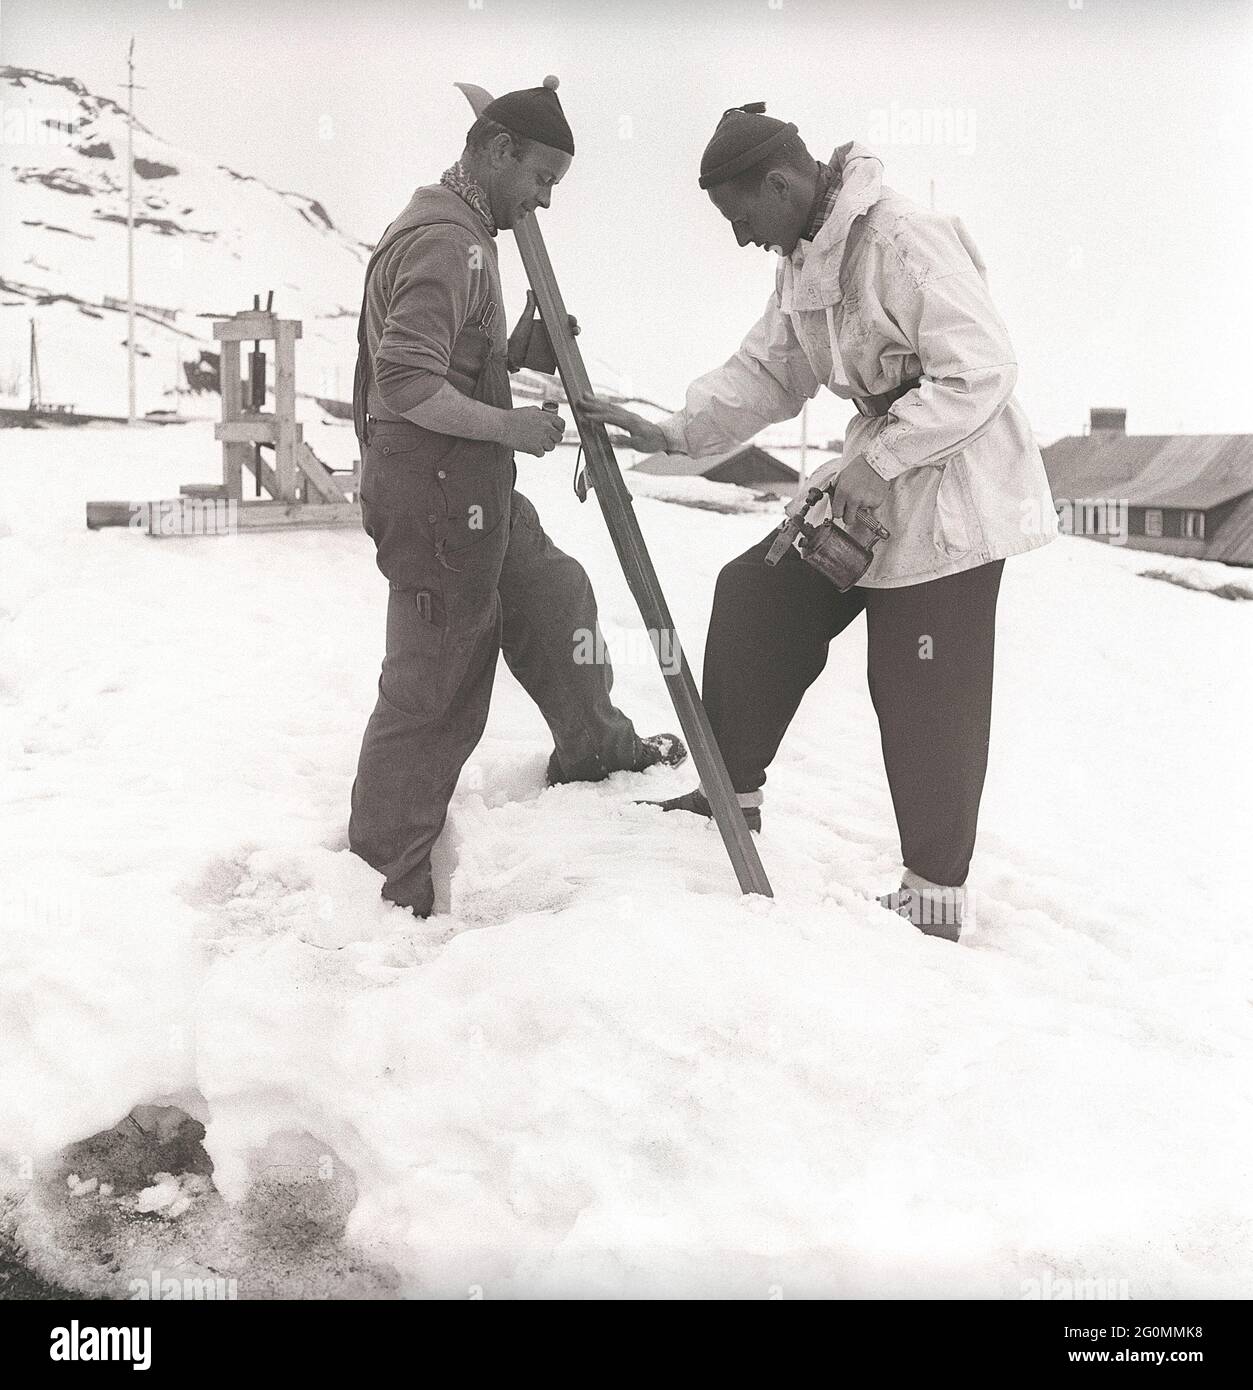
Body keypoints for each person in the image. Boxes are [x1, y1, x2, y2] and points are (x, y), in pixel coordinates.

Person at [582, 103, 1057, 942]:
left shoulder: (902, 239)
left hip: (956, 486)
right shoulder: (804, 259)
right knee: (757, 597)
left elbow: (983, 368)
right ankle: (728, 798)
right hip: (876, 468)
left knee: (921, 687)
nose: (738, 238)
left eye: (739, 217)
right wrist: (675, 431)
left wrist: (879, 463)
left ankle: (930, 900)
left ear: (779, 183)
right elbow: (767, 371)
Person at [350, 77, 685, 918]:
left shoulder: (468, 236)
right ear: (498, 151)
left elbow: (459, 355)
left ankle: (594, 750)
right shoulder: (444, 243)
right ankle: (381, 879)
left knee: (553, 594)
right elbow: (405, 382)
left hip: (470, 486)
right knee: (436, 687)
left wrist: (518, 345)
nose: (544, 200)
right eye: (541, 179)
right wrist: (514, 430)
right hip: (433, 494)